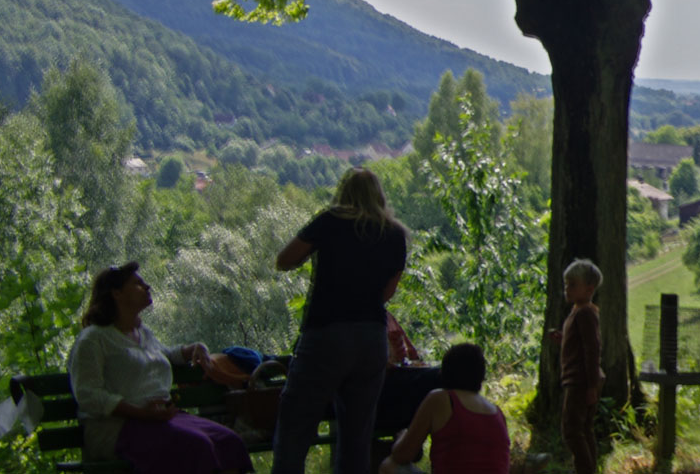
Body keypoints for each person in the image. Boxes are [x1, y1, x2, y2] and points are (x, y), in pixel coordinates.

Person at [272, 168, 410, 474]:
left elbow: (284, 260)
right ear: (379, 196)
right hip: (371, 340)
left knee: (296, 424)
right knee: (357, 435)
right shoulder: (396, 234)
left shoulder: (330, 221)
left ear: (344, 193)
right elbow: (387, 293)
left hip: (326, 334)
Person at [67, 263, 253, 474]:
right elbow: (87, 395)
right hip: (118, 428)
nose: (146, 286)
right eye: (137, 283)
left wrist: (194, 348)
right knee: (196, 446)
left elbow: (164, 355)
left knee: (230, 442)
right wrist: (141, 413)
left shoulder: (143, 333)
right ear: (116, 293)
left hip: (161, 419)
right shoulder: (93, 339)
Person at [379, 343, 509, 474]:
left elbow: (402, 455)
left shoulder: (440, 398)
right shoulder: (498, 413)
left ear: (445, 371)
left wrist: (402, 436)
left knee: (389, 466)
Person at [550, 259, 605, 474]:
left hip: (580, 381)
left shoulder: (585, 313)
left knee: (572, 431)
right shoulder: (578, 312)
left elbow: (592, 350)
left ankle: (584, 469)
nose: (567, 289)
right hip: (580, 380)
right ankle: (588, 468)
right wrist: (563, 339)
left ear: (589, 289)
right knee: (584, 429)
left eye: (573, 284)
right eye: (566, 284)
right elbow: (579, 343)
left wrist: (591, 386)